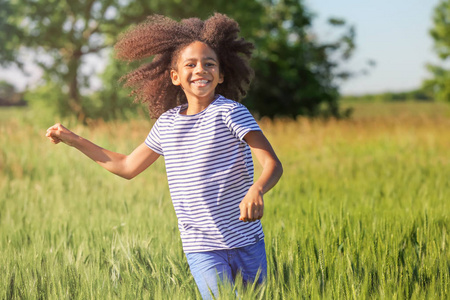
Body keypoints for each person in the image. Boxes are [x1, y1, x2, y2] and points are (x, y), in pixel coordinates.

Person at [46, 13, 283, 299]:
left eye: (210, 64)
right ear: (174, 76)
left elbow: (272, 163)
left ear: (221, 75)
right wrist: (74, 140)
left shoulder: (231, 113)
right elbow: (126, 166)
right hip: (201, 246)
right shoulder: (167, 124)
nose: (201, 70)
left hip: (246, 240)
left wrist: (257, 189)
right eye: (191, 64)